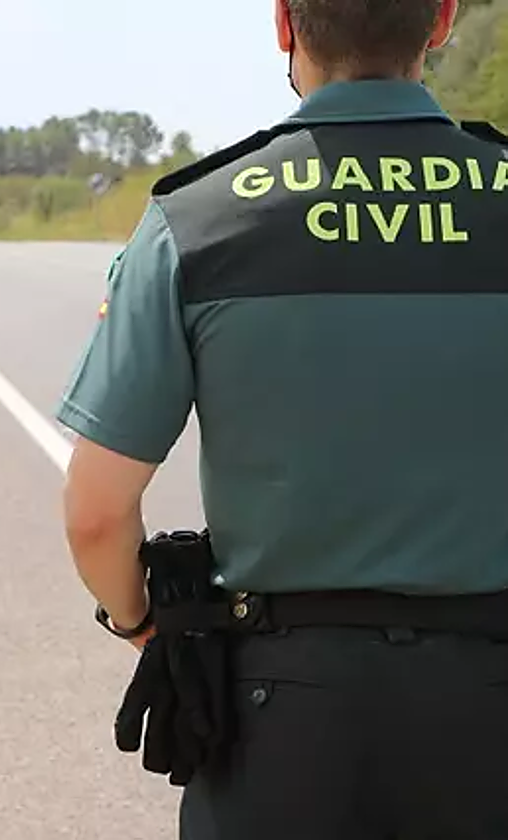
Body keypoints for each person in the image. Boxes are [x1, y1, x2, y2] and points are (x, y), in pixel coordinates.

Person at [55, 0, 508, 837]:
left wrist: (143, 623)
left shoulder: (198, 221)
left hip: (277, 718)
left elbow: (96, 514)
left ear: (283, 24)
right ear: (442, 21)